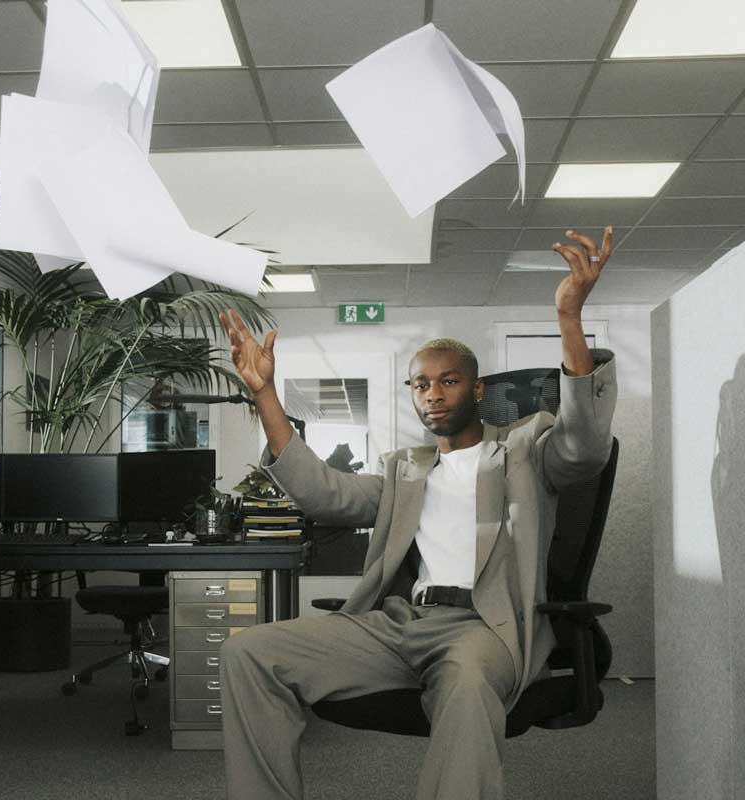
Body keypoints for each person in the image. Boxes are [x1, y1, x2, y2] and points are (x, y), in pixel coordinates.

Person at [217, 227, 617, 800]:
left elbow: (586, 447)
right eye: (421, 385)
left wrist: (570, 318)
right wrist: (265, 396)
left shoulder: (527, 450)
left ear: (476, 390)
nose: (433, 394)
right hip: (401, 623)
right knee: (248, 652)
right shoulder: (405, 468)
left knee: (468, 686)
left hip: (484, 629)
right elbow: (322, 493)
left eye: (448, 381)